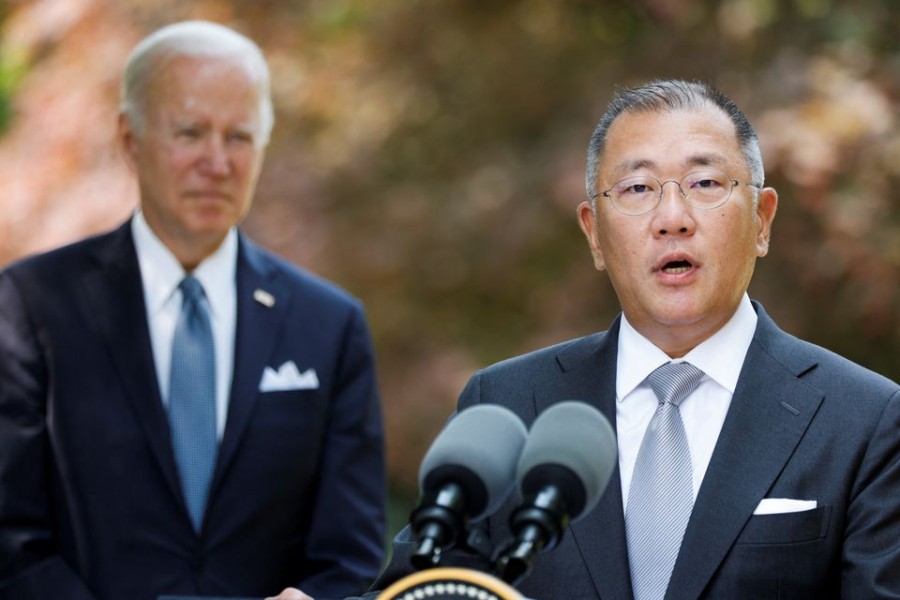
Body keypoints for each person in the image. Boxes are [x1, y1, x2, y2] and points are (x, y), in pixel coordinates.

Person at [357, 79, 900, 599]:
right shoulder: (507, 409)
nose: (672, 218)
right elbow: (421, 590)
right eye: (638, 188)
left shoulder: (866, 422)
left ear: (762, 220)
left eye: (705, 183)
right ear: (594, 233)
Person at [0, 20, 386, 600]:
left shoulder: (329, 325)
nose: (217, 160)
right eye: (190, 132)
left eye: (239, 136)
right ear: (130, 140)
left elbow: (351, 553)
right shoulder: (30, 306)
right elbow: (11, 537)